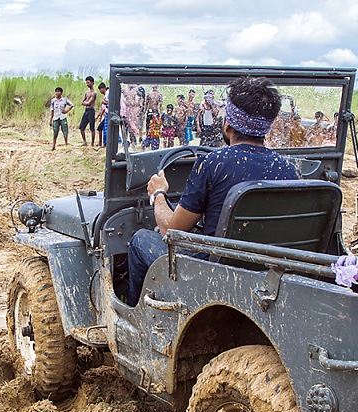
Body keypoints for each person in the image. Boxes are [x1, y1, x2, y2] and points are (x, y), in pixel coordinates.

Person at [127, 76, 299, 304]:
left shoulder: (213, 164)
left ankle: (134, 315)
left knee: (140, 239)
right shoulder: (288, 169)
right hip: (268, 271)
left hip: (212, 271)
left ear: (228, 124)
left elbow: (171, 231)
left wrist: (158, 194)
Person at [78, 76, 97, 147]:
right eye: (86, 82)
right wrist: (85, 102)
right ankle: (84, 141)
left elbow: (88, 102)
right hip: (86, 110)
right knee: (81, 127)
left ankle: (92, 143)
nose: (87, 84)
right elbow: (82, 101)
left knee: (92, 128)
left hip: (91, 111)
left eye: (88, 82)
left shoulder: (94, 93)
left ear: (92, 83)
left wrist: (85, 102)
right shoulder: (87, 92)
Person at [95, 83, 108, 148]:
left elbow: (106, 105)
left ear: (103, 88)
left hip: (108, 115)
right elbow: (103, 108)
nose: (100, 91)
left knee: (104, 129)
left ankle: (104, 143)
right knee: (101, 129)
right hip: (106, 115)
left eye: (100, 89)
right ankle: (102, 143)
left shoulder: (107, 95)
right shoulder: (105, 96)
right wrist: (99, 116)